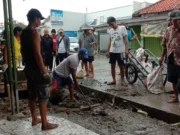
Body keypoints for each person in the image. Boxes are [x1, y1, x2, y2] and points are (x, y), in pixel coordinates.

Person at [20, 8, 58, 130]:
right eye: (39, 19)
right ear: (35, 18)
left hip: (28, 68)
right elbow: (37, 53)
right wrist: (44, 70)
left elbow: (22, 51)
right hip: (36, 69)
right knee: (44, 95)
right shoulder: (34, 33)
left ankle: (34, 119)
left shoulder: (23, 33)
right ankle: (45, 124)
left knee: (31, 94)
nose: (40, 22)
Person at [159, 10, 180, 103]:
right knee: (173, 79)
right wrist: (161, 56)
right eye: (173, 20)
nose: (175, 22)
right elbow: (164, 44)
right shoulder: (168, 30)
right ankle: (176, 96)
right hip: (171, 58)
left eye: (177, 20)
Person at [106, 17, 128, 86]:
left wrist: (126, 49)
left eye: (112, 24)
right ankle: (114, 80)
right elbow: (110, 41)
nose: (111, 26)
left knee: (121, 66)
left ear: (115, 21)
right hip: (112, 51)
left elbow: (125, 39)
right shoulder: (110, 30)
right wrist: (108, 51)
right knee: (112, 66)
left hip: (120, 51)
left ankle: (122, 80)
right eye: (109, 25)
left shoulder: (122, 28)